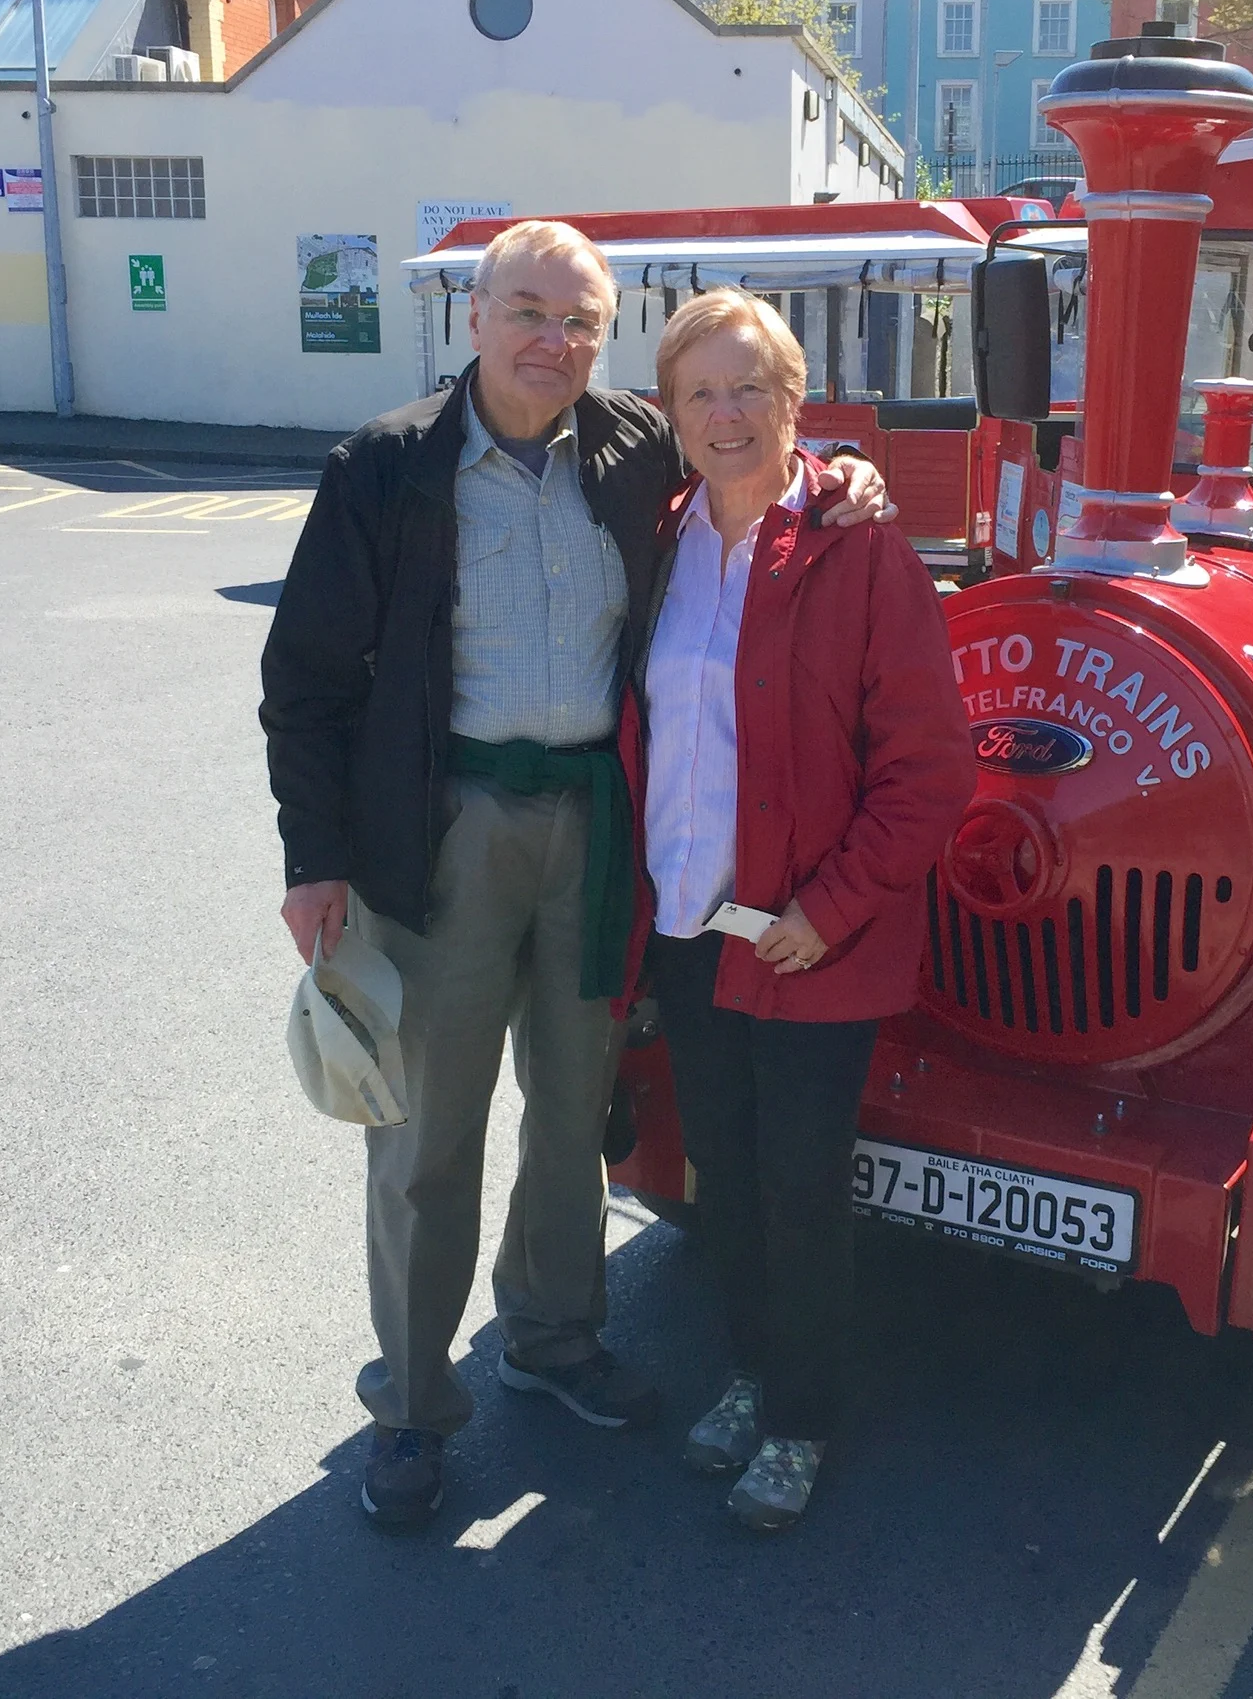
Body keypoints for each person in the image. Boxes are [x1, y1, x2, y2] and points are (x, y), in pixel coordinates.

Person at [259, 223, 891, 1534]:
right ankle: (416, 1402)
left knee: (574, 1106)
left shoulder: (630, 448)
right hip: (442, 831)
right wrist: (314, 857)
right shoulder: (385, 468)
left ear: (607, 338)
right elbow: (308, 683)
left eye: (582, 320)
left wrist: (844, 474)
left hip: (604, 824)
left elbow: (756, 454)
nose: (554, 340)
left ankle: (550, 1334)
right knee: (426, 1130)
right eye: (528, 310)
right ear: (476, 318)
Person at [632, 290, 976, 1533]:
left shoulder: (855, 545)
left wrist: (828, 910)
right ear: (668, 415)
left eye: (749, 391)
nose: (725, 417)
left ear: (796, 404)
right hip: (686, 924)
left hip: (806, 935)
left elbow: (931, 770)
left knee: (797, 1182)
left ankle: (800, 1417)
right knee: (720, 1171)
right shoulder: (657, 534)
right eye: (699, 394)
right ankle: (747, 1371)